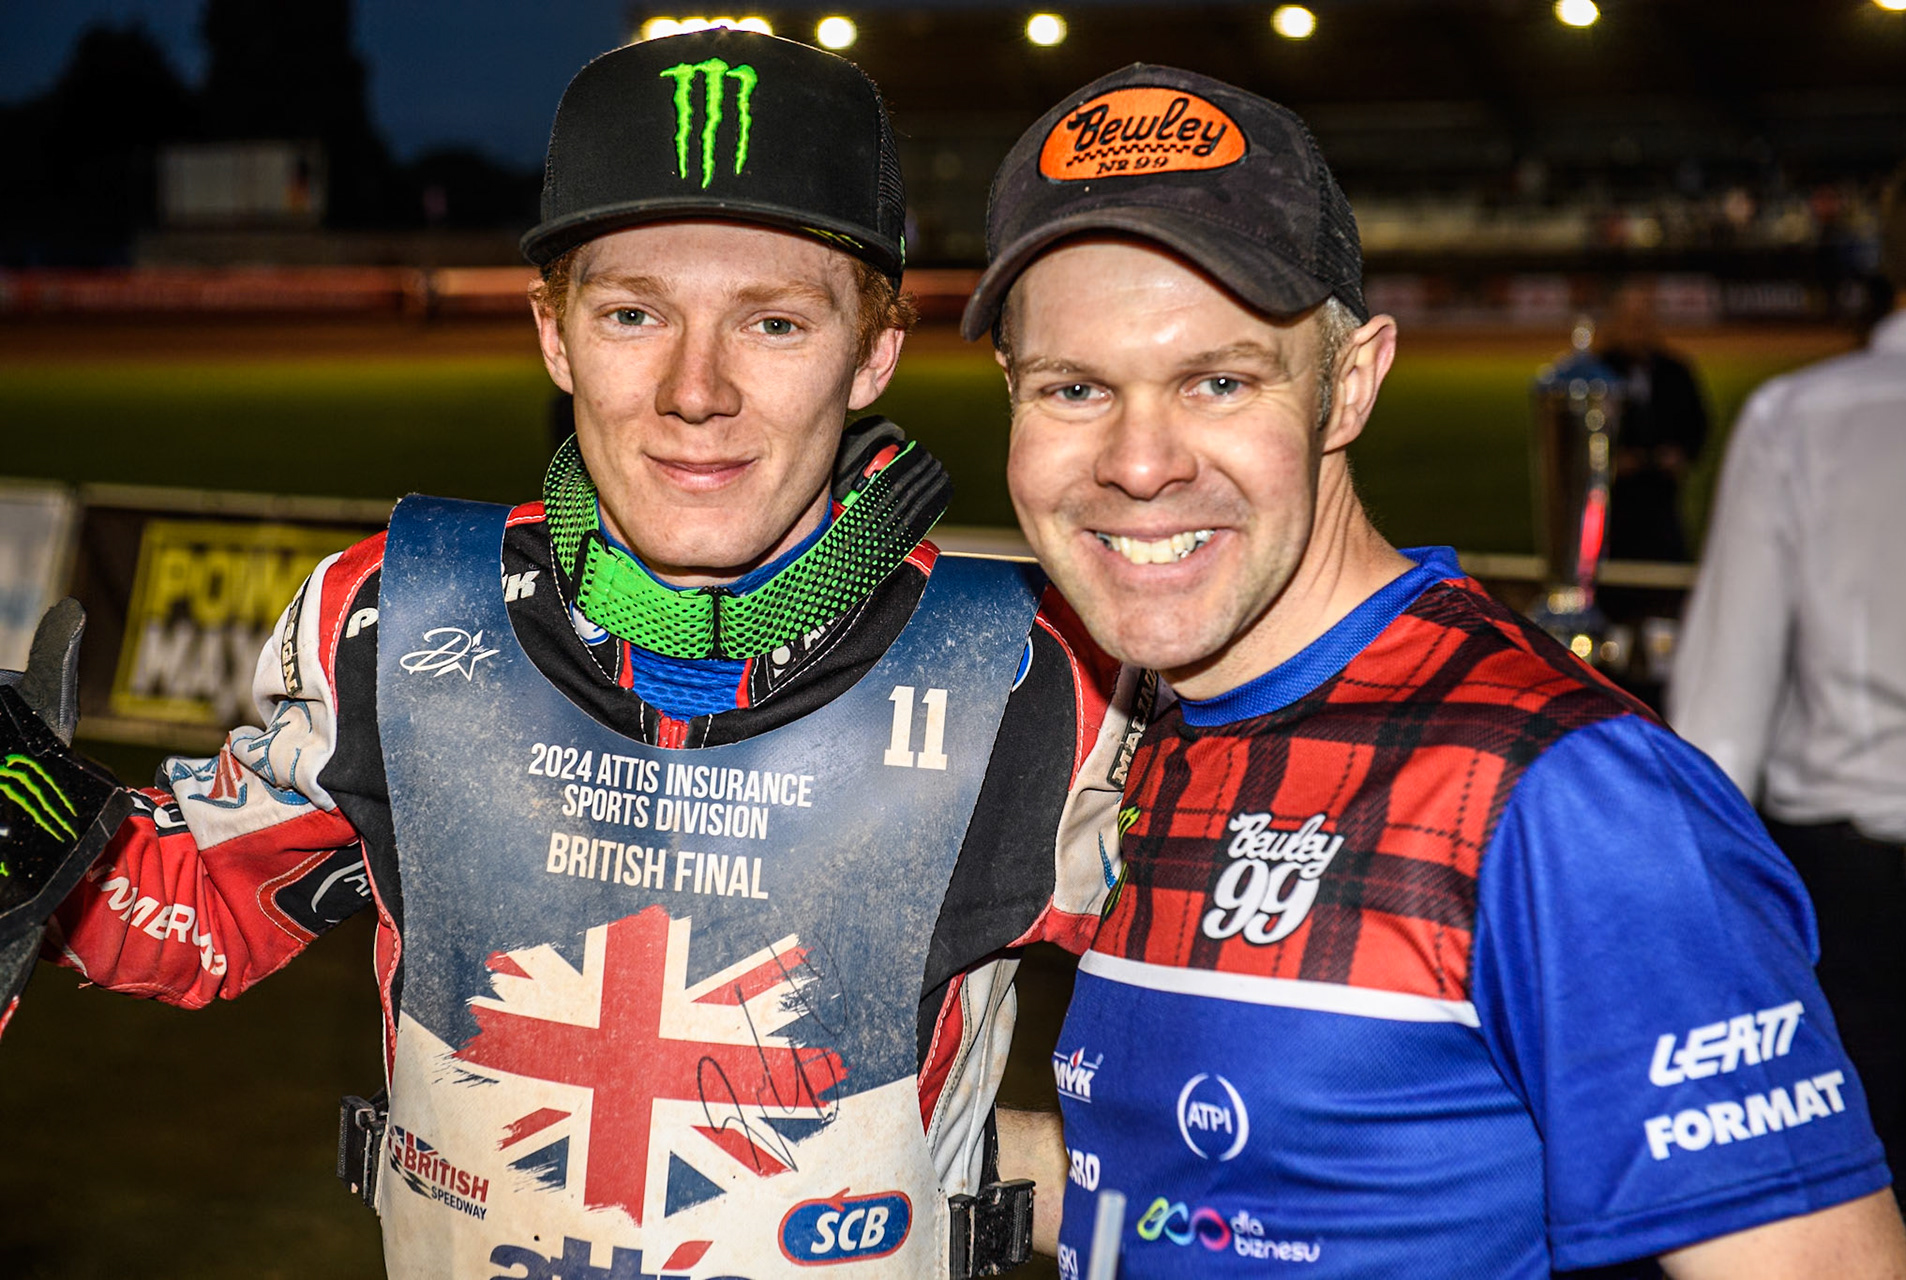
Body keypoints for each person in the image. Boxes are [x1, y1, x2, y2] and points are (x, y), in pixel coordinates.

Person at [0, 30, 1143, 1278]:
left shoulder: (1041, 680)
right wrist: (49, 849)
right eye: (633, 313)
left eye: (772, 322)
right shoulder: (391, 614)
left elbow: (1234, 1096)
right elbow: (190, 913)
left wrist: (985, 1169)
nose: (694, 390)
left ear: (874, 350)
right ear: (554, 334)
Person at [960, 64, 1906, 1277]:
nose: (1138, 461)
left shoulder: (1567, 793)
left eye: (1219, 381)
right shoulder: (1139, 727)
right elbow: (1197, 1192)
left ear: (1350, 385)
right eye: (1075, 387)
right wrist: (884, 1152)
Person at [1670, 152, 1906, 1214]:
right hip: (1859, 878)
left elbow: (1721, 710)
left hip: (1861, 892)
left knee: (1860, 1202)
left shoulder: (1799, 417)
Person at [1597, 278, 1712, 562]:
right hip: (1611, 509)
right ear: (1615, 321)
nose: (1637, 327)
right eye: (1630, 319)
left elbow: (1697, 422)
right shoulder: (1596, 373)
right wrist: (1609, 461)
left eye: (1643, 318)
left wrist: (1681, 453)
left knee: (1665, 573)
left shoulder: (1675, 371)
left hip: (1662, 503)